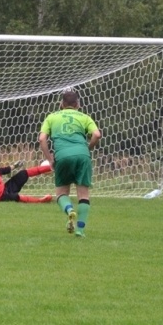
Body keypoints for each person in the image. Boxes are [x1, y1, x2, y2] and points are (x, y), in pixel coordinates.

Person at [38, 89, 101, 237]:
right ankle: (80, 230)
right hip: (82, 155)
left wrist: (50, 159)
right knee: (83, 194)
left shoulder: (52, 117)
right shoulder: (84, 117)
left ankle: (69, 210)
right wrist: (88, 148)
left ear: (61, 104)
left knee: (61, 193)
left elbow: (42, 139)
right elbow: (97, 135)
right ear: (77, 104)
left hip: (63, 155)